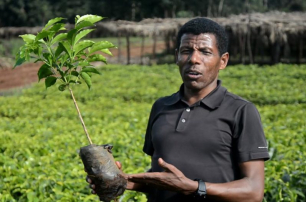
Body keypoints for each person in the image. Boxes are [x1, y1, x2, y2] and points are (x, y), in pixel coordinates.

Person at [87, 17, 269, 202]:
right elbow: (163, 178)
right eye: (186, 51)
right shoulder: (161, 107)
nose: (193, 59)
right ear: (176, 56)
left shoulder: (241, 111)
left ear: (223, 61)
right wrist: (123, 181)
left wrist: (194, 187)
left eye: (205, 52)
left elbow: (253, 192)